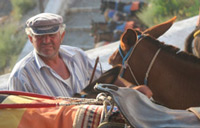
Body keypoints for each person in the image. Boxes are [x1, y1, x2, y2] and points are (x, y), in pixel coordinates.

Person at [8, 13, 152, 98]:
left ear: (62, 35)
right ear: (30, 39)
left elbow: (106, 80)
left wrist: (132, 90)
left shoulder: (77, 56)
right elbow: (18, 117)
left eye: (51, 35)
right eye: (39, 36)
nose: (46, 41)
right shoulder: (21, 75)